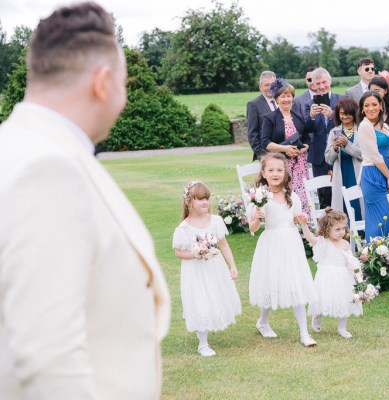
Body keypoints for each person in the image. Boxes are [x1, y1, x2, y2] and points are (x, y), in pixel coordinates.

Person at [0, 3, 171, 399]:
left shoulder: (19, 146)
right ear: (103, 81)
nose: (123, 98)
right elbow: (50, 357)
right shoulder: (46, 169)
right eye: (124, 84)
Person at [248, 153, 318, 347]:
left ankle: (304, 333)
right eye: (271, 170)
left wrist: (301, 220)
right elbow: (252, 228)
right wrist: (256, 217)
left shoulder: (292, 196)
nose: (275, 173)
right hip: (271, 243)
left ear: (285, 172)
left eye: (279, 170)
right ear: (263, 173)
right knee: (272, 283)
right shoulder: (259, 197)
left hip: (291, 243)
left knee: (296, 283)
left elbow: (296, 218)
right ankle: (262, 321)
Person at [173, 181, 241, 357]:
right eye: (200, 199)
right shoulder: (184, 228)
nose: (205, 203)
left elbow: (224, 245)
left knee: (214, 296)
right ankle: (203, 343)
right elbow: (179, 252)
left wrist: (232, 265)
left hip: (214, 268)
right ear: (189, 202)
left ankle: (206, 328)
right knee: (200, 300)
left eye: (207, 199)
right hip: (194, 271)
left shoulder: (215, 221)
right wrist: (196, 254)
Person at [299, 208, 363, 338]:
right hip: (326, 276)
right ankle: (317, 316)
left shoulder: (345, 243)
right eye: (337, 229)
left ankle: (342, 328)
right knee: (323, 299)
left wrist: (357, 274)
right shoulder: (323, 241)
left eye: (343, 229)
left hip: (343, 276)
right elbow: (310, 239)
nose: (341, 232)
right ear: (328, 229)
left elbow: (351, 260)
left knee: (346, 300)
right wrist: (304, 225)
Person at [260, 79, 311, 215]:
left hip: (299, 165)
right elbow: (265, 143)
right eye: (283, 96)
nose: (286, 99)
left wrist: (303, 148)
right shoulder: (270, 118)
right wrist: (285, 149)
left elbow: (306, 139)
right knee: (285, 196)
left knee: (302, 196)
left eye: (289, 96)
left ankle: (304, 225)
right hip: (281, 165)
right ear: (277, 99)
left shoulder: (299, 117)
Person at [358, 91, 389, 240]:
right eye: (366, 105)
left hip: (388, 171)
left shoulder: (385, 126)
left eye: (374, 104)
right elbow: (374, 155)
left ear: (381, 106)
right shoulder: (364, 126)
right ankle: (377, 259)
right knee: (381, 219)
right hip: (374, 174)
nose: (371, 108)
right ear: (362, 109)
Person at [305, 67, 346, 208]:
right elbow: (306, 129)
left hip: (339, 154)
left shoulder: (341, 99)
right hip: (319, 158)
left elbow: (348, 123)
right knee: (323, 196)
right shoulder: (309, 104)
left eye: (324, 82)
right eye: (318, 84)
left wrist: (332, 116)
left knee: (341, 191)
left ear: (330, 81)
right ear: (313, 85)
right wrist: (311, 116)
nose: (322, 86)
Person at [324, 98, 363, 219]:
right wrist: (334, 149)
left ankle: (362, 232)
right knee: (342, 204)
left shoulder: (361, 129)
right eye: (342, 113)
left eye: (348, 113)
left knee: (359, 202)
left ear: (354, 113)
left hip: (358, 173)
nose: (345, 116)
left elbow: (364, 155)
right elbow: (328, 159)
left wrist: (347, 145)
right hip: (341, 174)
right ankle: (344, 232)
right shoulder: (334, 132)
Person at [246, 71, 277, 160]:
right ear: (260, 87)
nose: (270, 88)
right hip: (266, 155)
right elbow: (252, 133)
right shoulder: (253, 104)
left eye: (272, 84)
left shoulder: (282, 101)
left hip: (285, 152)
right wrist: (262, 155)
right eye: (266, 85)